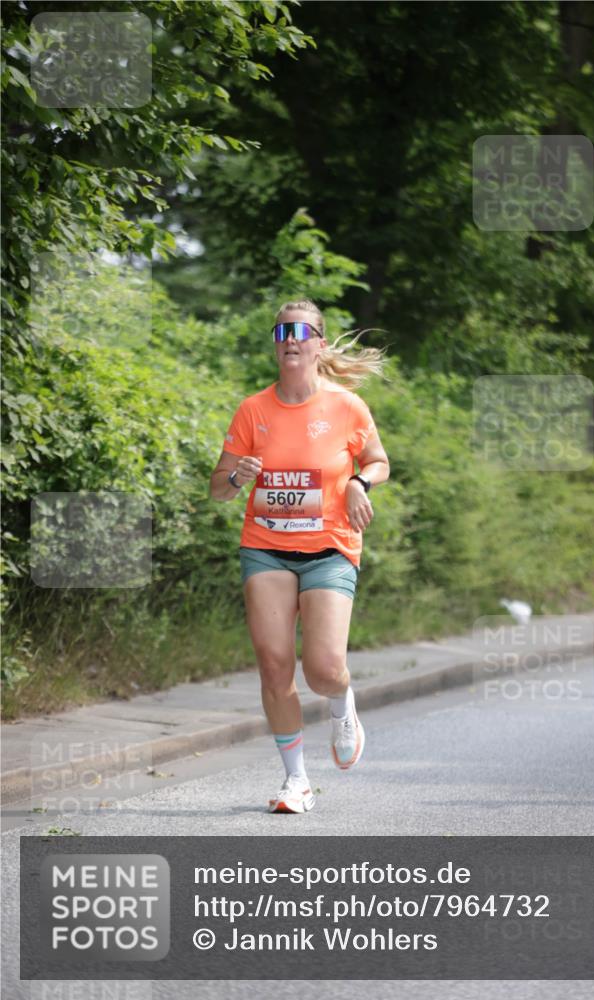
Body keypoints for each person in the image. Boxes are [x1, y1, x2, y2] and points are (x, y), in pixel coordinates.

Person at [210, 298, 390, 813]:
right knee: (273, 665)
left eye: (301, 330)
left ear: (319, 344)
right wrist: (237, 476)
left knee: (324, 669)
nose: (290, 337)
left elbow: (379, 462)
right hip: (265, 547)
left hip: (329, 548)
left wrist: (359, 481)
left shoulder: (347, 407)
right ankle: (297, 782)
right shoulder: (252, 409)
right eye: (282, 330)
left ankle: (342, 705)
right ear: (276, 343)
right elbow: (219, 489)